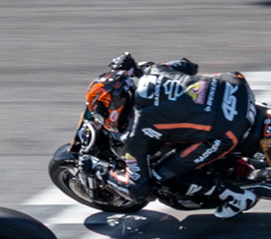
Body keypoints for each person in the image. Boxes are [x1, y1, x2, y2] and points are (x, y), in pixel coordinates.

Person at [84, 53, 261, 218]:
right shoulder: (153, 71)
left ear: (113, 108)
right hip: (236, 87)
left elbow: (138, 190)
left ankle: (236, 197)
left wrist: (99, 170)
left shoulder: (136, 135)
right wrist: (137, 68)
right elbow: (188, 65)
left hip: (230, 129)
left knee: (163, 177)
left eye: (101, 113)